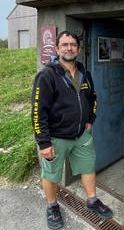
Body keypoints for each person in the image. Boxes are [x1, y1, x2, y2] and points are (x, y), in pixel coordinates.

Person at [31, 30, 113, 229]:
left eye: (73, 44)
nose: (69, 48)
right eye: (65, 44)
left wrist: (90, 118)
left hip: (81, 135)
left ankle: (92, 200)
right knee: (51, 174)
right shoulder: (47, 75)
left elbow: (92, 97)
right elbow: (37, 110)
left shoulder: (84, 72)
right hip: (56, 137)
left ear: (78, 48)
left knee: (88, 167)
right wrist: (44, 142)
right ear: (58, 49)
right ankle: (52, 206)